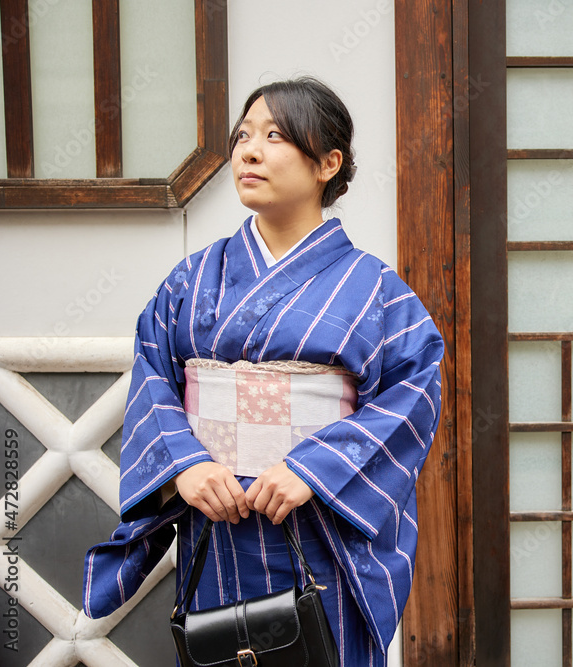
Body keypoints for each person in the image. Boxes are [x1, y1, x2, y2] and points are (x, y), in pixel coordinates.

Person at [83, 77, 444, 666]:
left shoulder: (378, 292)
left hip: (317, 527)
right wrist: (185, 467)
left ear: (328, 162)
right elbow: (153, 375)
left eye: (274, 136)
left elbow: (412, 395)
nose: (248, 151)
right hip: (215, 521)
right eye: (243, 135)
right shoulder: (192, 280)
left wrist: (314, 469)